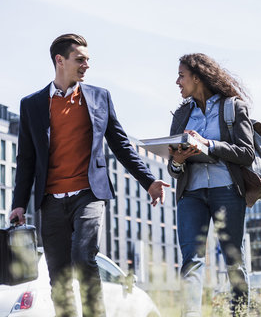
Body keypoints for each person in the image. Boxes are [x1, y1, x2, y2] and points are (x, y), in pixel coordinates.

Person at [9, 33, 170, 317]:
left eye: (87, 60)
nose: (86, 65)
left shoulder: (99, 97)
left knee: (84, 259)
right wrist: (19, 203)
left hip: (90, 194)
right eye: (80, 60)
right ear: (60, 61)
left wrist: (148, 180)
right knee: (58, 278)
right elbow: (26, 159)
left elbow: (120, 144)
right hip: (51, 201)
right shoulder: (32, 104)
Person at [168, 53, 255, 316]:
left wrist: (209, 145)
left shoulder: (232, 107)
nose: (177, 82)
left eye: (181, 76)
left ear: (197, 77)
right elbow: (173, 168)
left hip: (227, 190)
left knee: (234, 261)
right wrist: (178, 160)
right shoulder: (182, 114)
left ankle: (238, 313)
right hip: (191, 193)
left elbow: (246, 153)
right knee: (191, 261)